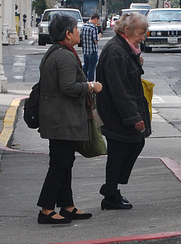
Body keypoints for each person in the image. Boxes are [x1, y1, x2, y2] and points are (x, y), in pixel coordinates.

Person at [36, 13, 101, 224]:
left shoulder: (57, 52)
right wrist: (91, 86)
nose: (79, 32)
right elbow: (68, 87)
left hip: (59, 118)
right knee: (60, 163)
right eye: (76, 29)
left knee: (65, 161)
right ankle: (46, 209)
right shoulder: (63, 55)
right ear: (67, 33)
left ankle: (67, 205)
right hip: (61, 119)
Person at [96, 12, 152, 210]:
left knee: (131, 146)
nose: (143, 37)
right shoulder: (116, 52)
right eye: (140, 33)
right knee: (121, 150)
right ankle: (110, 193)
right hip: (117, 114)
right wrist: (134, 117)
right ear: (127, 31)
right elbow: (121, 89)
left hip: (120, 111)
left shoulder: (125, 49)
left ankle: (111, 188)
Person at [80, 13, 102, 82]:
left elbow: (81, 37)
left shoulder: (83, 27)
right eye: (97, 21)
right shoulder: (94, 28)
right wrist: (99, 36)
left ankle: (83, 81)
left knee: (85, 67)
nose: (97, 22)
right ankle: (91, 84)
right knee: (91, 69)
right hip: (92, 51)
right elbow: (95, 40)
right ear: (95, 19)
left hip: (85, 50)